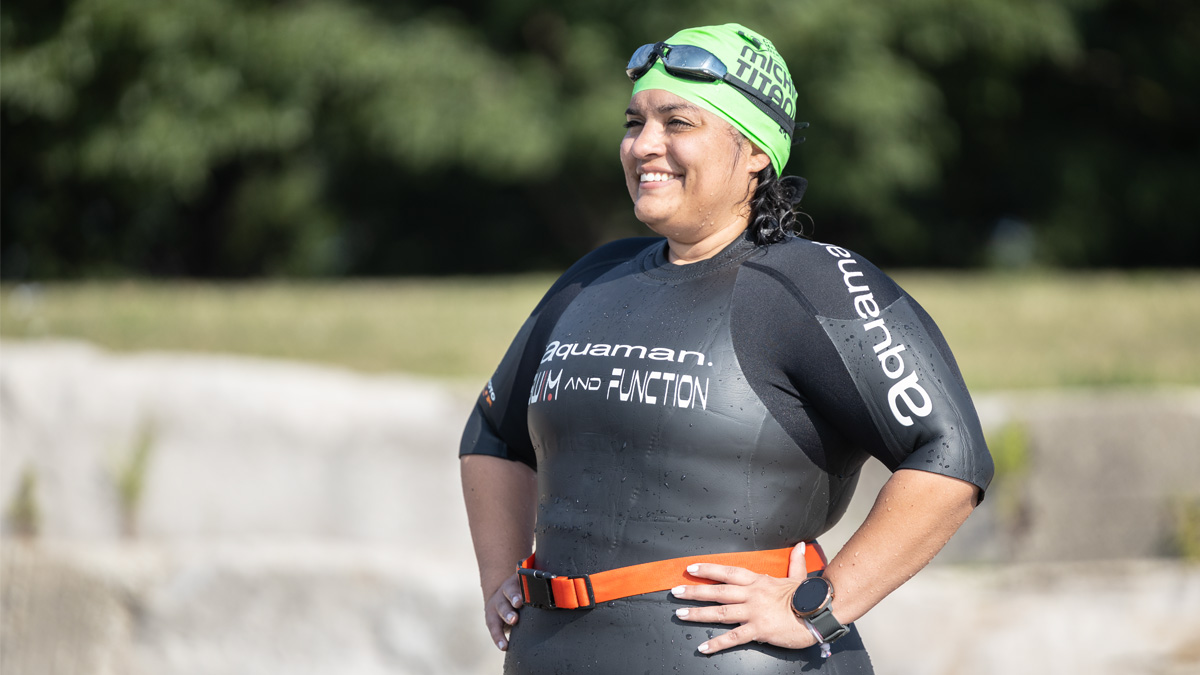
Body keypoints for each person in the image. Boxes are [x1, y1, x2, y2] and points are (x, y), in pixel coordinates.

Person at [459, 23, 993, 674]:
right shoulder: (595, 278)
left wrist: (818, 604)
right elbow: (493, 430)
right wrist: (501, 575)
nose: (644, 145)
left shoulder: (808, 283)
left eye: (676, 122)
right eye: (635, 123)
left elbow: (951, 453)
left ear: (755, 152)